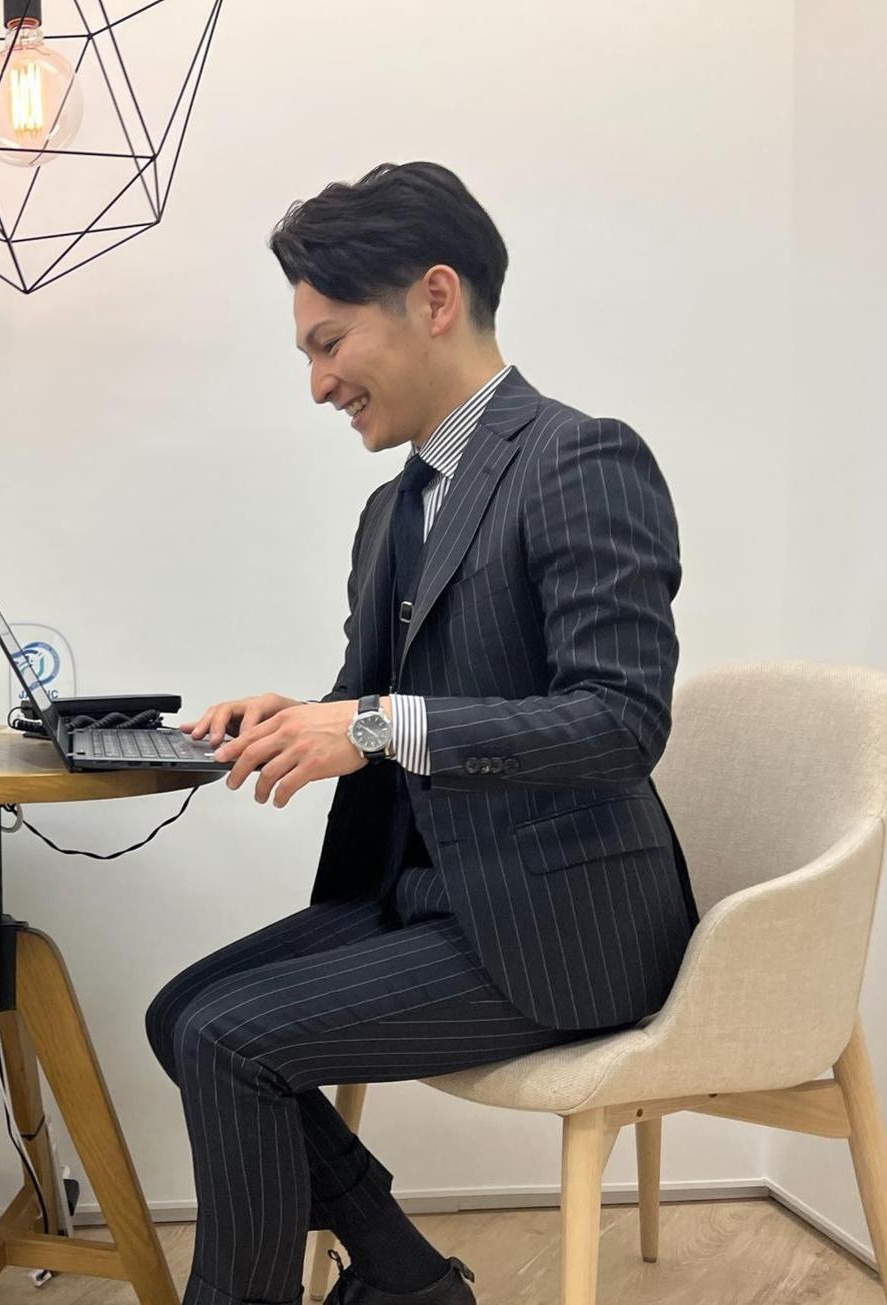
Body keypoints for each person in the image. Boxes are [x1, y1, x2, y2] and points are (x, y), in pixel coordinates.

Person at [147, 164, 698, 1305]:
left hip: (566, 923)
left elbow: (620, 720)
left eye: (329, 343)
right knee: (179, 1016)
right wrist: (298, 714)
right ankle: (407, 1280)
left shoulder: (580, 459)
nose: (317, 384)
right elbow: (376, 704)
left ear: (435, 299)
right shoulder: (390, 509)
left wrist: (375, 723)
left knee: (232, 1040)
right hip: (425, 894)